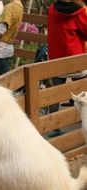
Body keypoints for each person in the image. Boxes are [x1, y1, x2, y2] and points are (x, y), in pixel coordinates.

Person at [47, 0, 87, 137]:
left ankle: (53, 126)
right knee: (83, 90)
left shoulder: (52, 8)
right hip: (75, 58)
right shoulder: (80, 12)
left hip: (56, 57)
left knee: (55, 93)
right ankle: (83, 121)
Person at [0, 0, 23, 77]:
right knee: (5, 80)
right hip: (8, 47)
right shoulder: (20, 7)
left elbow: (1, 30)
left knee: (3, 83)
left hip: (0, 50)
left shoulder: (10, 7)